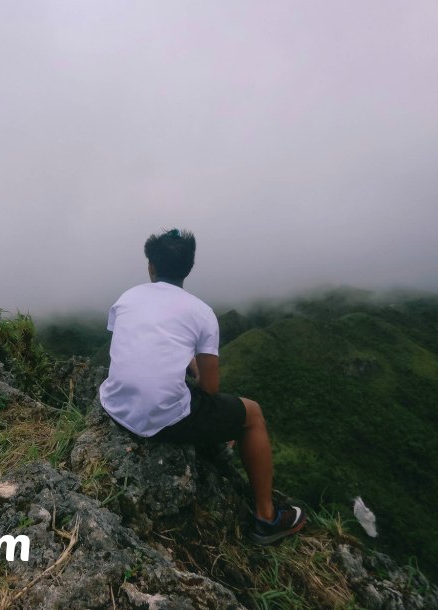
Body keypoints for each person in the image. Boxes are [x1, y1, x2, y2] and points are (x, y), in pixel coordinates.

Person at [98, 228, 306, 545]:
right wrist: (194, 365)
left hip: (115, 405)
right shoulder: (202, 312)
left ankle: (219, 446)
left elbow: (141, 347)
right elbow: (210, 388)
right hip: (161, 420)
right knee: (252, 415)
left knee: (189, 398)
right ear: (189, 267)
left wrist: (184, 361)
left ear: (150, 267)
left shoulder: (127, 297)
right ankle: (267, 518)